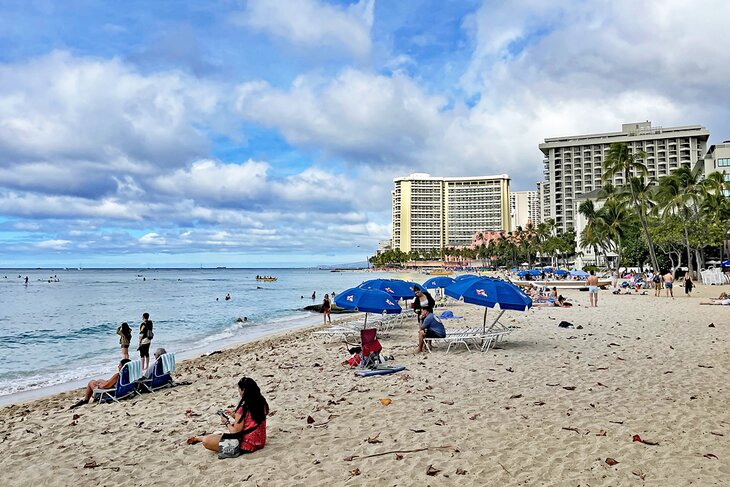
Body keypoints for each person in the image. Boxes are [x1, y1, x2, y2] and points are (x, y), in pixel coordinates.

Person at [201, 377, 269, 457]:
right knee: (216, 434)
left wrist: (226, 422)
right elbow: (251, 420)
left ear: (243, 390)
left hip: (246, 445)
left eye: (239, 389)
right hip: (260, 442)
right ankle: (200, 438)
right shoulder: (261, 402)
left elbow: (235, 432)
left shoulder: (243, 408)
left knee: (206, 440)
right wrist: (235, 416)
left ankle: (201, 439)